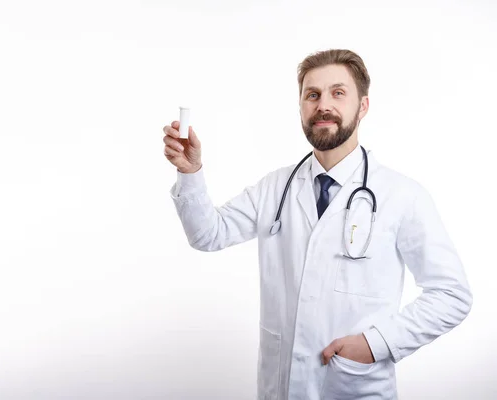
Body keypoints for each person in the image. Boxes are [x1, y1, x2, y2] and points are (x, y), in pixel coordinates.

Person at [161, 49, 472, 400]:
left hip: (354, 385)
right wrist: (190, 173)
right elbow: (207, 234)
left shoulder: (403, 196)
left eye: (338, 93)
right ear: (301, 108)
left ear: (363, 107)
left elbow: (452, 294)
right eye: (313, 95)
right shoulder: (275, 188)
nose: (323, 105)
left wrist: (375, 344)